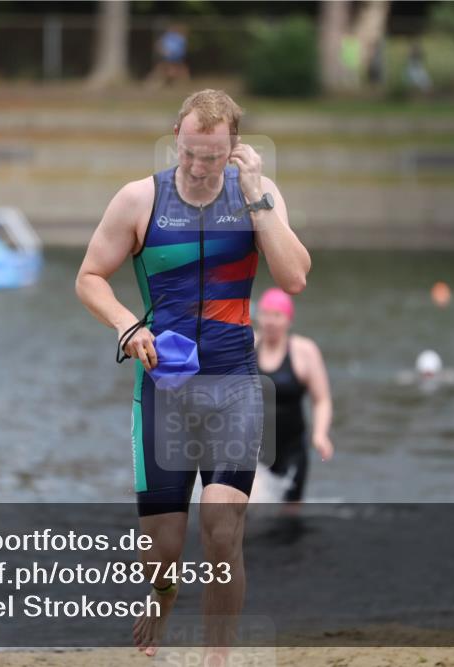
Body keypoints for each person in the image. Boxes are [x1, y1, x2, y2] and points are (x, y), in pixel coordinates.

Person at [75, 89, 310, 660]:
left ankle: (216, 656)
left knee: (222, 528)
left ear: (235, 148)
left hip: (233, 383)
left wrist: (256, 197)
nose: (202, 167)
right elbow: (89, 277)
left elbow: (294, 276)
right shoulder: (139, 200)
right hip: (164, 390)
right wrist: (130, 329)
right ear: (175, 137)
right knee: (163, 551)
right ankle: (162, 590)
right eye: (191, 153)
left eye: (214, 156)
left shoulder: (257, 195)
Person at [251, 288, 333, 505]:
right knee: (252, 508)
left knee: (289, 516)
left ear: (289, 319)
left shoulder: (304, 351)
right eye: (266, 314)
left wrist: (320, 435)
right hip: (254, 448)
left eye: (277, 315)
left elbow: (321, 399)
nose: (270, 321)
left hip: (292, 449)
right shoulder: (248, 345)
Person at [146, 24, 190, 89]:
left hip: (176, 58)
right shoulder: (168, 37)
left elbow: (181, 49)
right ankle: (152, 84)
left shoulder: (180, 38)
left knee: (175, 71)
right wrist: (164, 52)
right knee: (165, 70)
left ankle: (179, 85)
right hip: (168, 58)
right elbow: (159, 45)